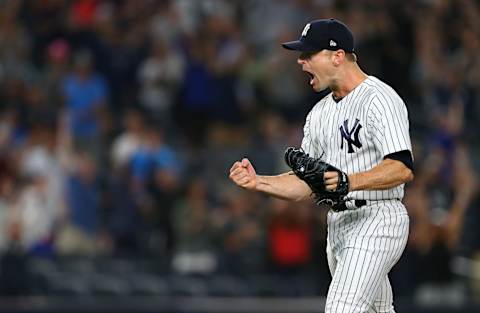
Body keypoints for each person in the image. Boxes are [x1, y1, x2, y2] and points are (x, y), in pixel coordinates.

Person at [229, 18, 414, 313]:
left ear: (337, 56)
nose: (301, 62)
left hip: (377, 218)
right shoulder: (318, 115)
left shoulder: (380, 99)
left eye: (309, 54)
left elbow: (402, 167)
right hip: (339, 225)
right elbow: (307, 184)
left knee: (341, 308)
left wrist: (348, 182)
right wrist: (259, 182)